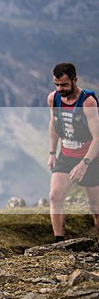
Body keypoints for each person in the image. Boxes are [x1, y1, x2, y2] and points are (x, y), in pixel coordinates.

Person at [48, 62, 99, 241]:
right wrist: (52, 153)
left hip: (90, 158)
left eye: (64, 85)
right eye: (57, 85)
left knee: (95, 206)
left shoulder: (88, 102)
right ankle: (59, 243)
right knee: (55, 196)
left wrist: (85, 164)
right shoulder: (53, 99)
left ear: (75, 80)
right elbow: (53, 125)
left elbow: (97, 138)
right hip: (66, 155)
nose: (60, 89)